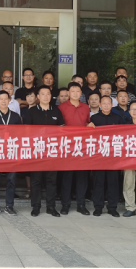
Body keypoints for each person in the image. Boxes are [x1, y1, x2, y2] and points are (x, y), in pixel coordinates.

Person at [26, 85, 64, 217]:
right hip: (36, 151)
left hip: (52, 151)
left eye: (48, 93)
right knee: (36, 180)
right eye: (43, 94)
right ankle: (36, 207)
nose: (46, 96)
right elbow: (26, 132)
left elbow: (62, 130)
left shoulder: (56, 111)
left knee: (51, 180)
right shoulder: (32, 111)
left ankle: (51, 207)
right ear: (38, 97)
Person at [58, 82, 92, 216]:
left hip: (82, 147)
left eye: (78, 91)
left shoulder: (86, 107)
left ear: (81, 93)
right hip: (67, 146)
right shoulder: (61, 107)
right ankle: (65, 205)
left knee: (82, 177)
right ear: (68, 93)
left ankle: (81, 204)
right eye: (73, 91)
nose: (75, 93)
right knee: (67, 177)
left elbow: (88, 123)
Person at [0, 90, 22, 215]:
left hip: (11, 151)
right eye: (1, 99)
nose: (3, 101)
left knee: (11, 180)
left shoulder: (15, 116)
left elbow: (20, 135)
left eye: (5, 99)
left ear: (9, 100)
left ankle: (9, 206)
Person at [89, 96, 124, 217]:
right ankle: (98, 207)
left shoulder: (117, 118)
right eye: (103, 103)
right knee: (98, 182)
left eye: (108, 103)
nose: (106, 105)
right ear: (100, 104)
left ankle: (112, 207)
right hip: (99, 155)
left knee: (113, 182)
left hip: (113, 155)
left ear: (112, 105)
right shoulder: (94, 118)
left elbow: (123, 134)